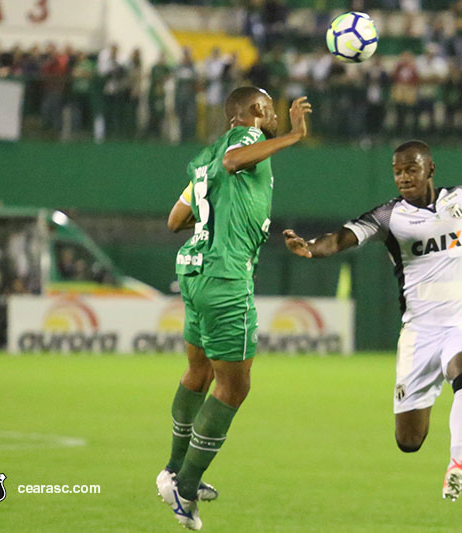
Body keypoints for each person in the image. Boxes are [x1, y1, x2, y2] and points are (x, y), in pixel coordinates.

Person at [282, 112, 462, 501]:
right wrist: (311, 248)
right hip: (420, 333)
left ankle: (458, 465)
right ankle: (434, 397)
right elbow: (341, 238)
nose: (403, 177)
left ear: (430, 169)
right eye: (397, 172)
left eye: (411, 169)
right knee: (409, 440)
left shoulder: (461, 199)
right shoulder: (390, 217)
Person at [156, 86, 312, 531]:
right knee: (234, 387)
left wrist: (214, 216)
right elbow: (235, 161)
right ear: (257, 112)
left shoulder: (205, 158)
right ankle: (186, 488)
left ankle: (173, 470)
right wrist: (296, 136)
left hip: (195, 269)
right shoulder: (243, 141)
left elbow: (174, 220)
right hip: (225, 277)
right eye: (272, 110)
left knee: (199, 374)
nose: (278, 116)